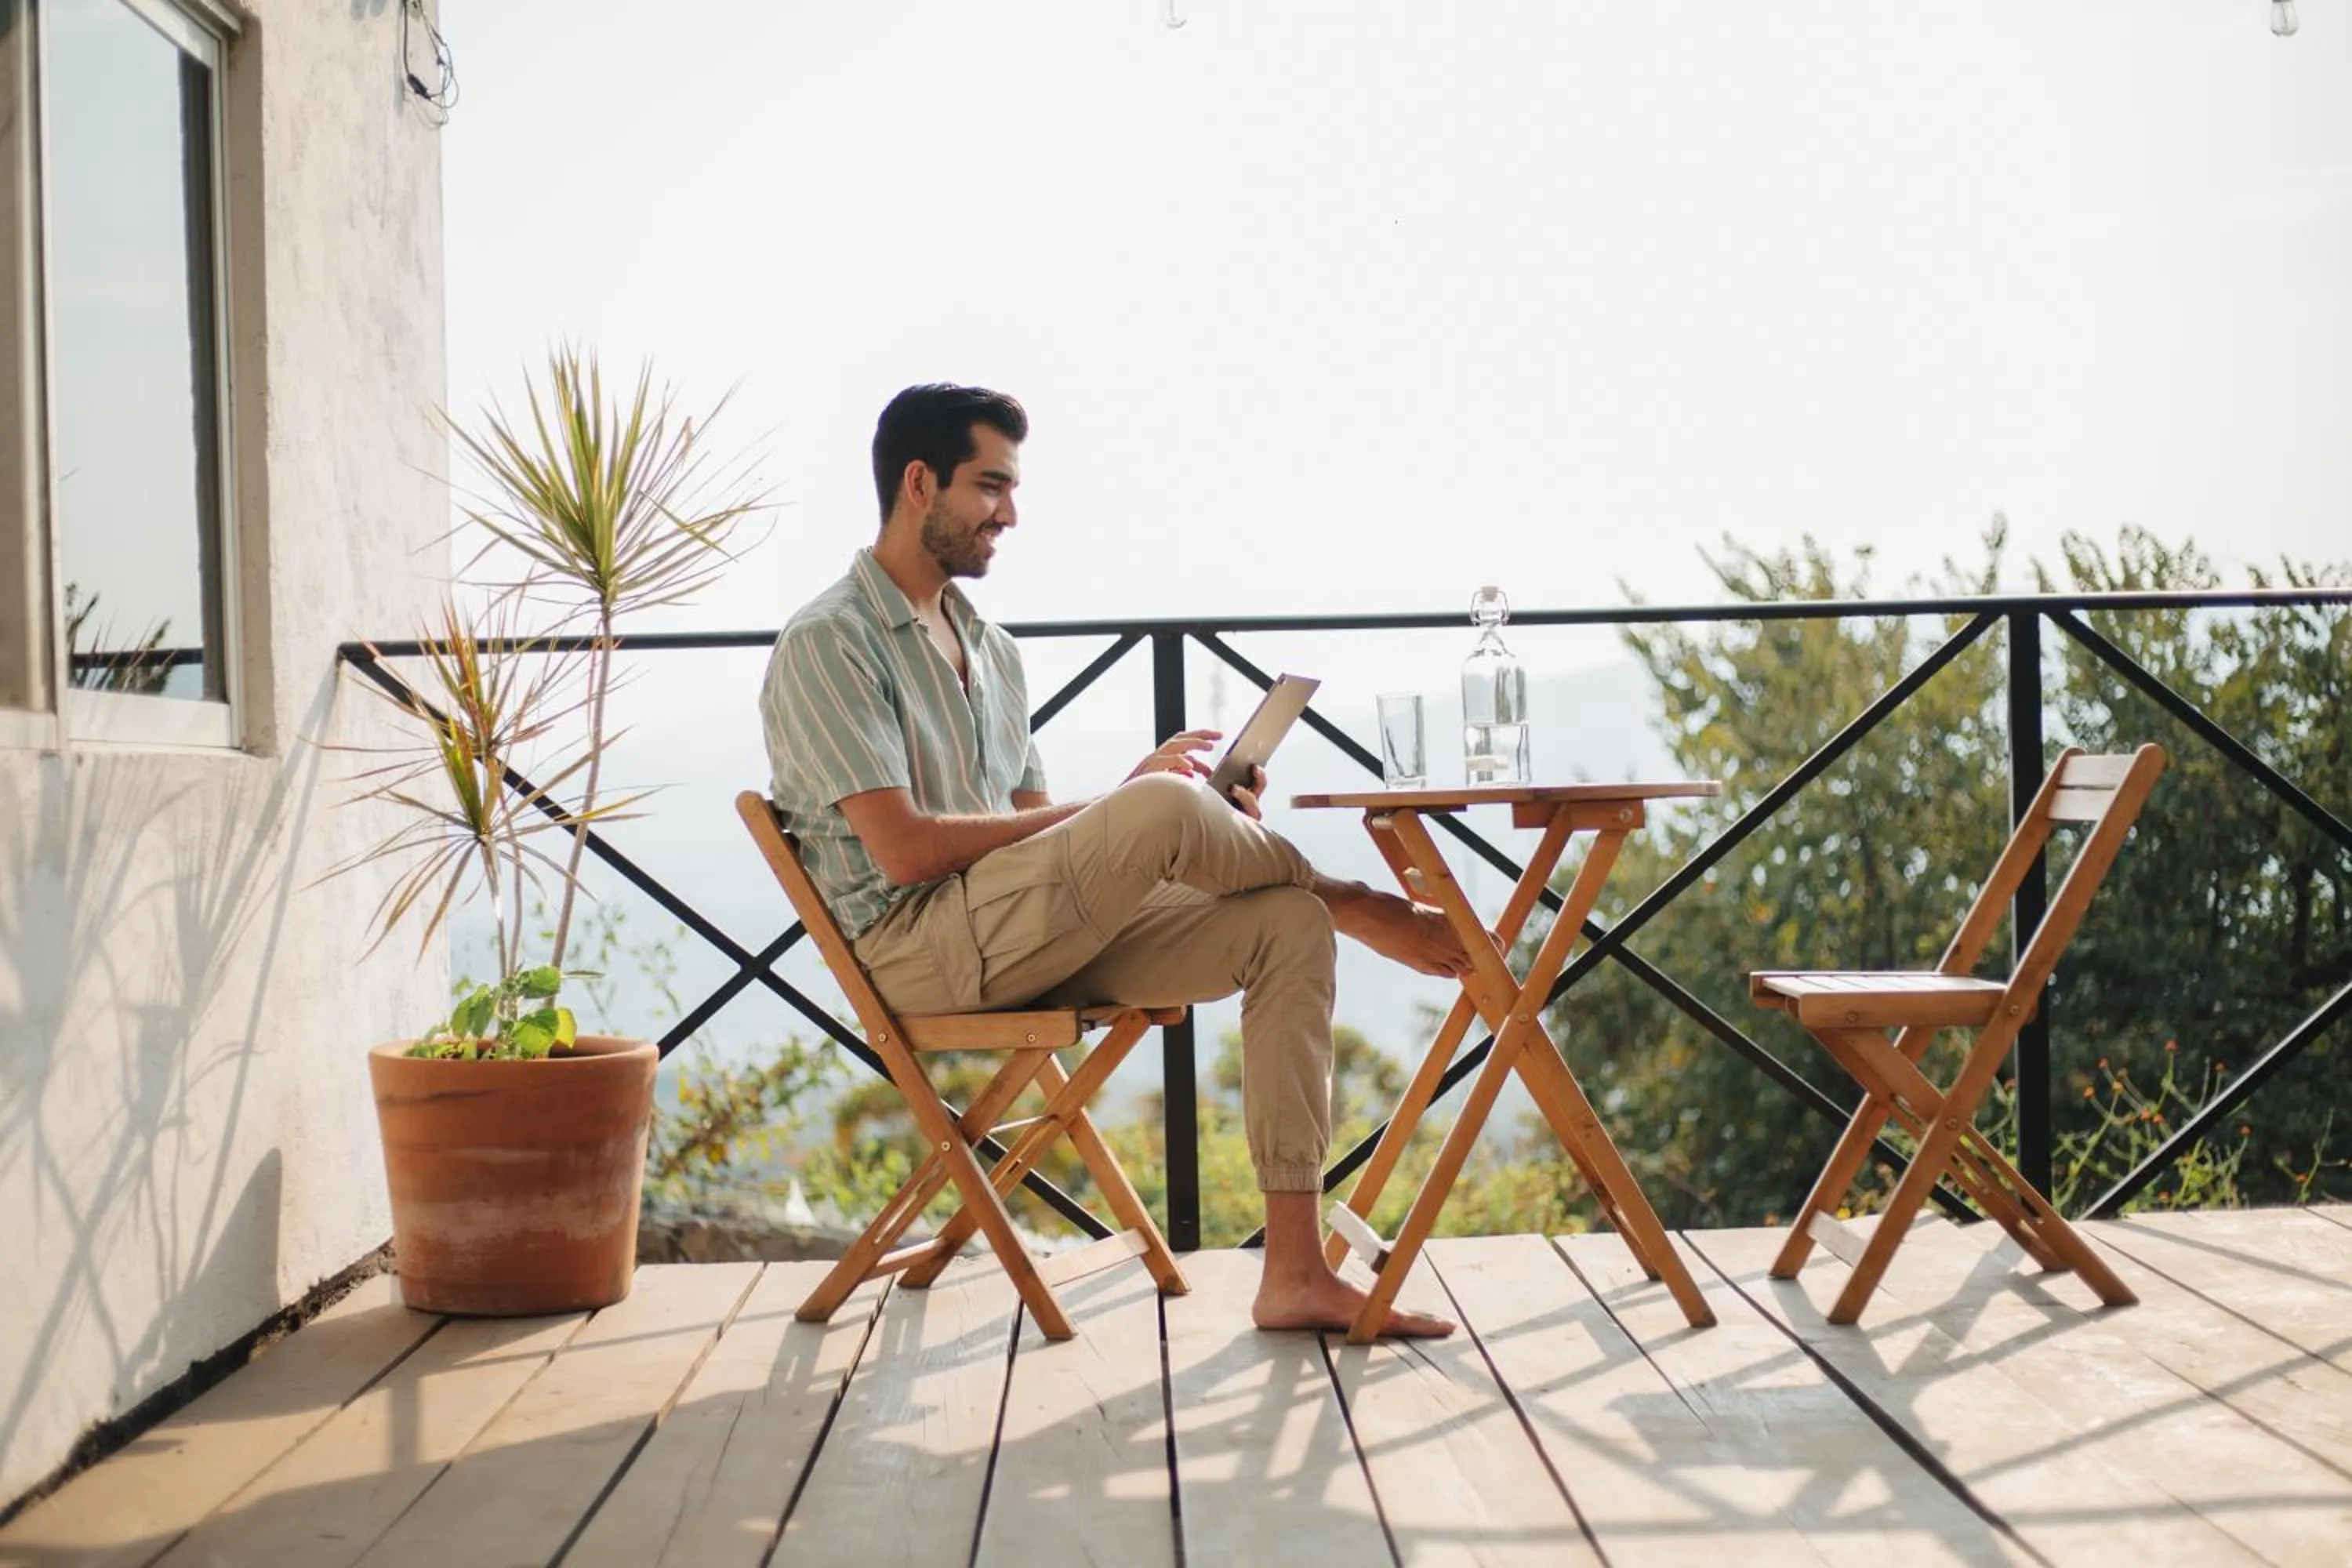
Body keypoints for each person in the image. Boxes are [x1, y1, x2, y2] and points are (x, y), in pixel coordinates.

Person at [759, 383, 1469, 1337]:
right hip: (918, 945)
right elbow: (911, 848)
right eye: (991, 486)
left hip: (1021, 927)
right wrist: (1134, 810)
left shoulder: (989, 649)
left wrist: (1137, 809)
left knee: (1285, 924)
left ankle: (1294, 1272)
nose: (1009, 513)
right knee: (1182, 818)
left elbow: (1025, 824)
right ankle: (1357, 899)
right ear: (920, 483)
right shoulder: (829, 642)